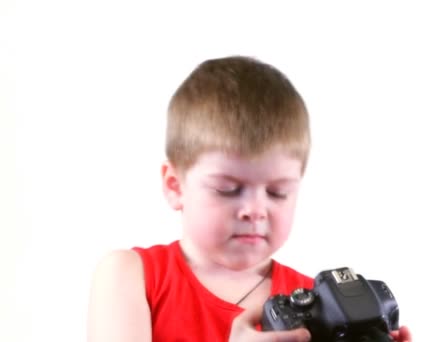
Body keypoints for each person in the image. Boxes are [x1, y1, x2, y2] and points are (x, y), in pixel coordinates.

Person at [86, 56, 412, 342]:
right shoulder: (132, 276)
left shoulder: (318, 305)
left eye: (277, 192)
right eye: (227, 189)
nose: (255, 210)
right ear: (175, 186)